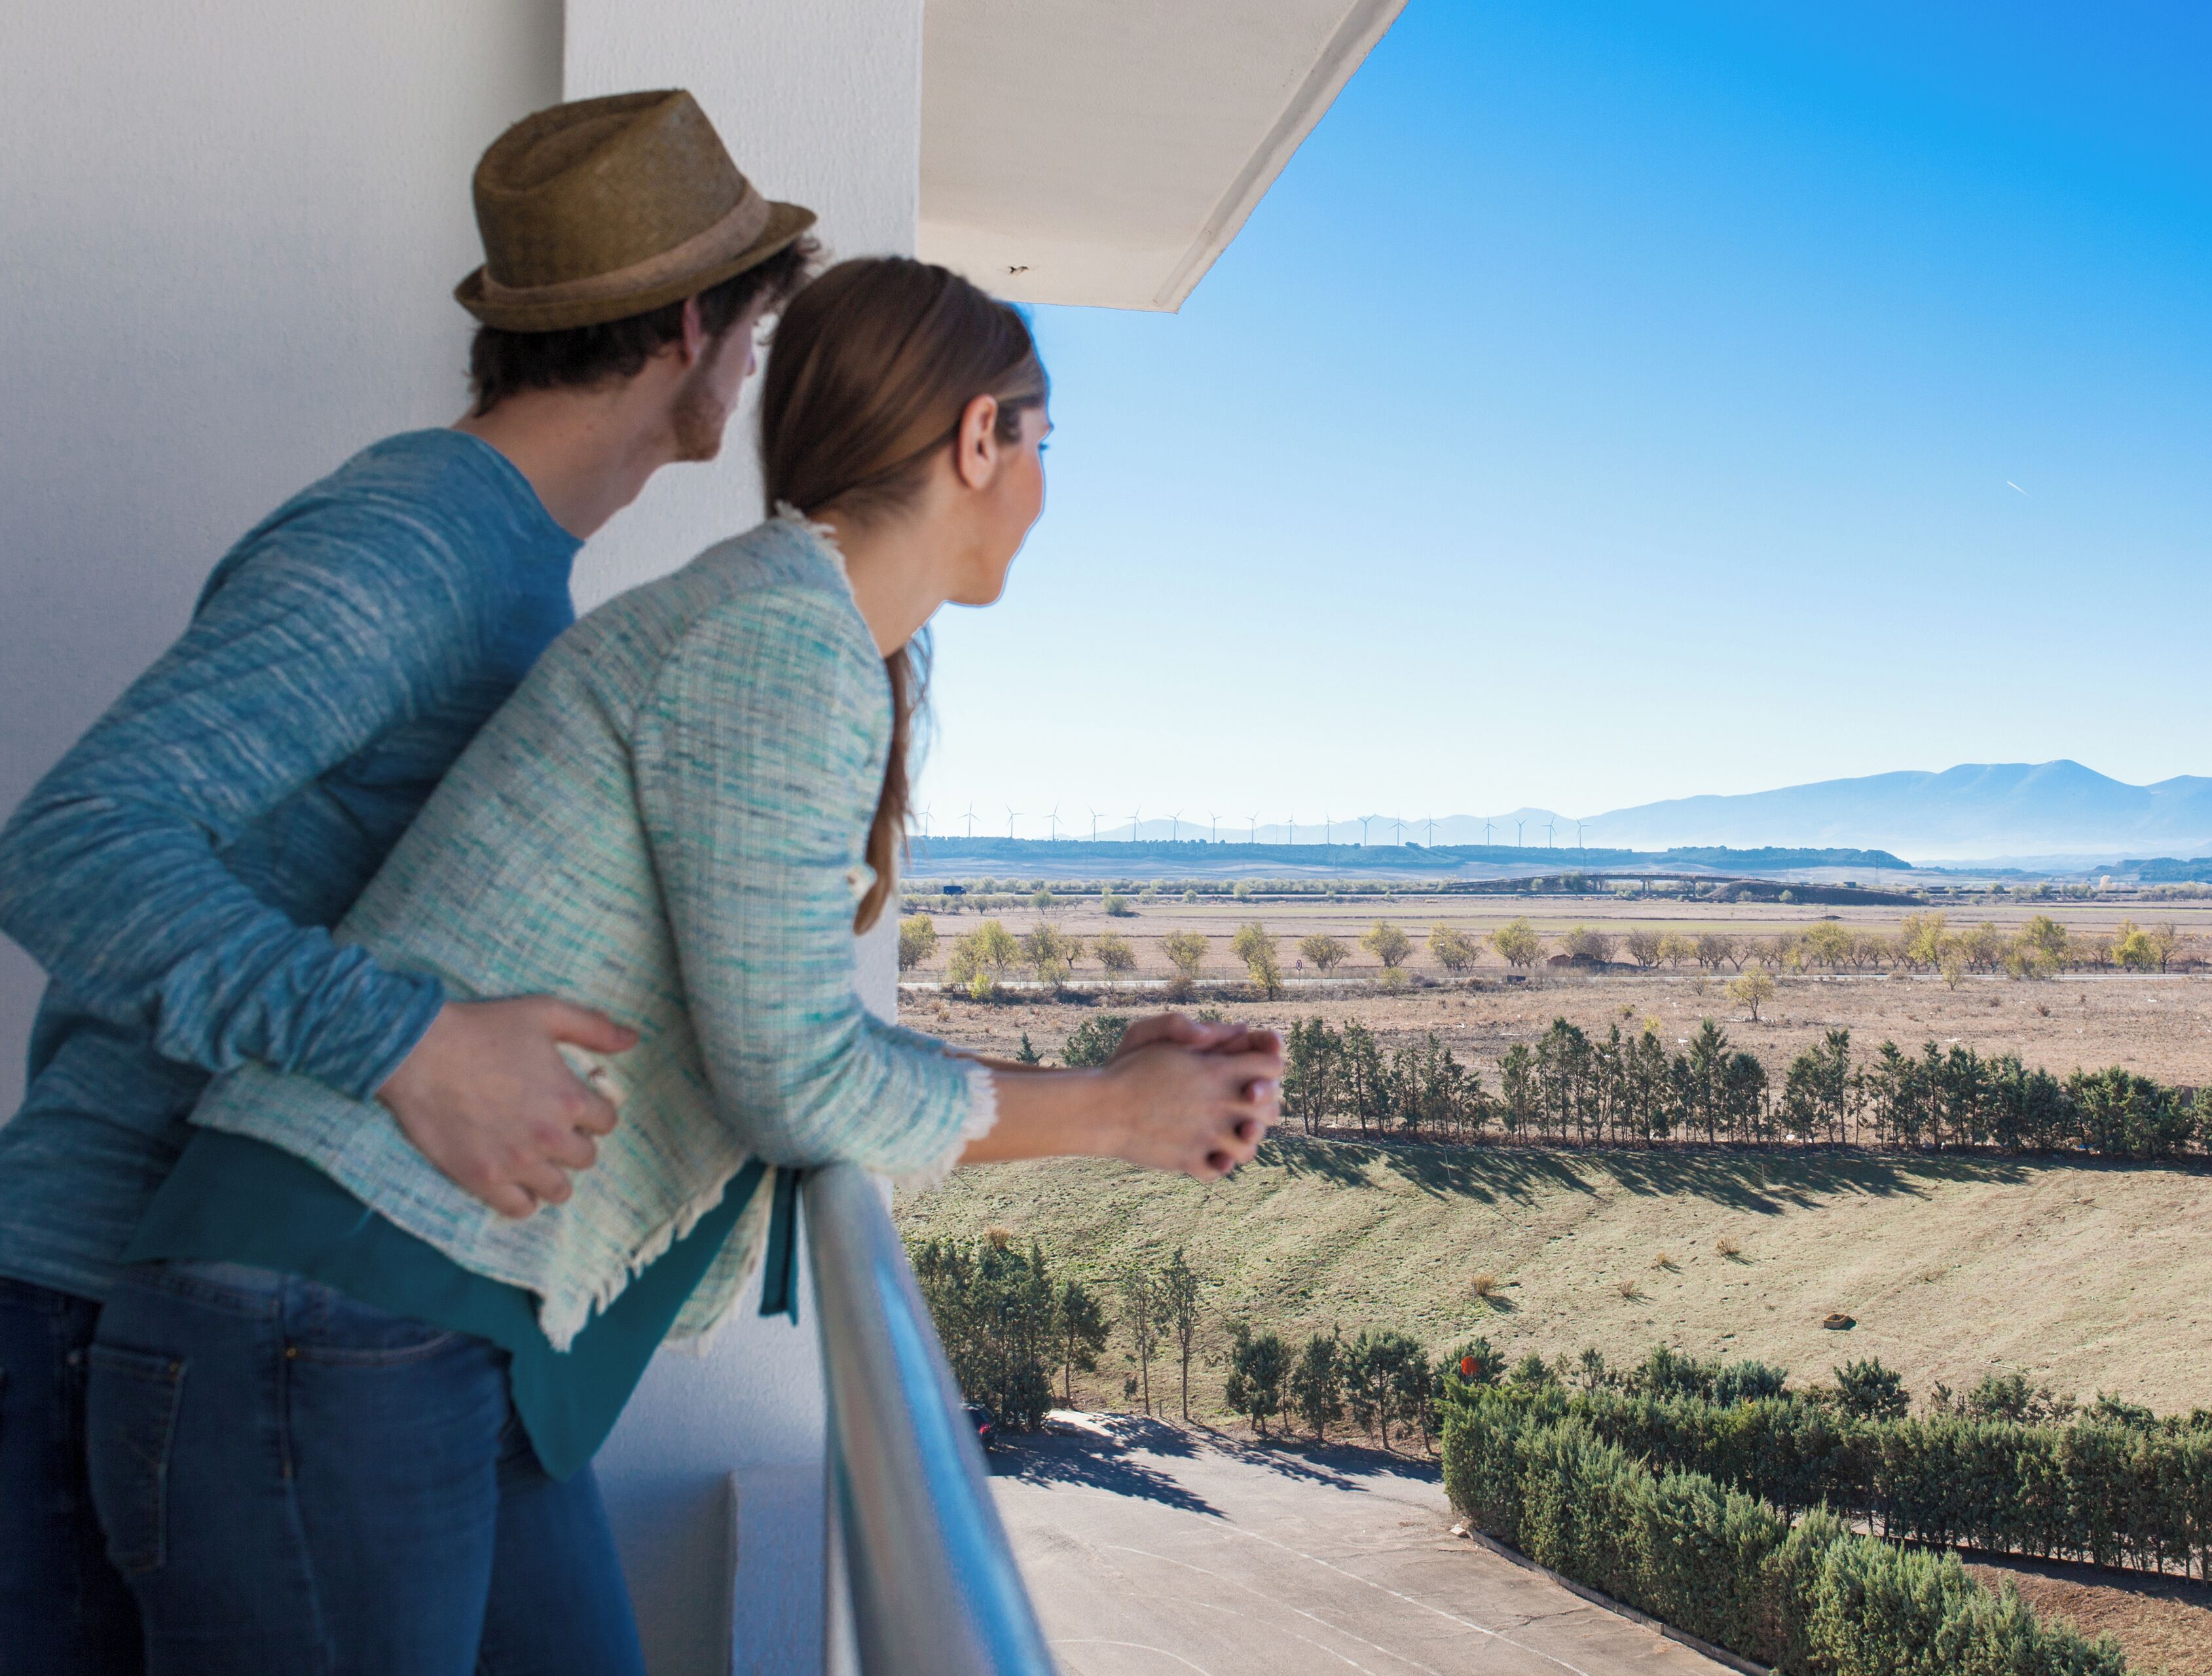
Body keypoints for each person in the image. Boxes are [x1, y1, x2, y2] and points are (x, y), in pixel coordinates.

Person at [83, 254, 1285, 1674]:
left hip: (421, 1326)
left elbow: (784, 1028)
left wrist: (1102, 1077)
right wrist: (1115, 1112)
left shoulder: (790, 627)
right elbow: (794, 1077)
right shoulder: (782, 637)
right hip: (333, 1319)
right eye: (1043, 441)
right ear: (980, 438)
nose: (1042, 484)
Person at [0, 90, 815, 1673]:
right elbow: (72, 840)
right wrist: (413, 1041)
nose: (750, 374)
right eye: (754, 336)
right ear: (699, 328)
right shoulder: (421, 536)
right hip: (95, 1307)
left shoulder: (509, 560)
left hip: (333, 1308)